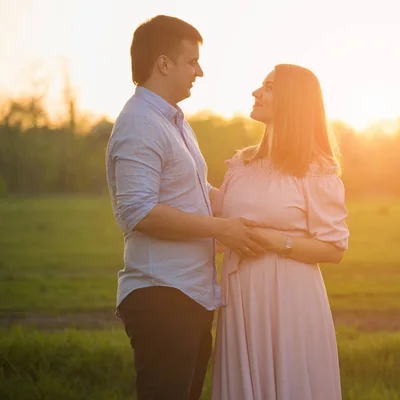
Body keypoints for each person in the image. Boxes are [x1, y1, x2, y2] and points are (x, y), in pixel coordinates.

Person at [105, 15, 265, 400]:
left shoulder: (174, 121)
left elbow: (196, 190)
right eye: (192, 61)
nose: (200, 71)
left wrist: (262, 202)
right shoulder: (140, 123)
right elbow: (139, 212)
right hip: (162, 296)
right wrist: (222, 229)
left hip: (190, 295)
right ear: (163, 64)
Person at [210, 64, 349, 400]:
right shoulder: (241, 165)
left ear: (293, 101)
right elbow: (217, 218)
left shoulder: (315, 171)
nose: (257, 93)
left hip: (289, 300)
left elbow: (334, 248)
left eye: (269, 87)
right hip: (241, 295)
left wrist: (279, 242)